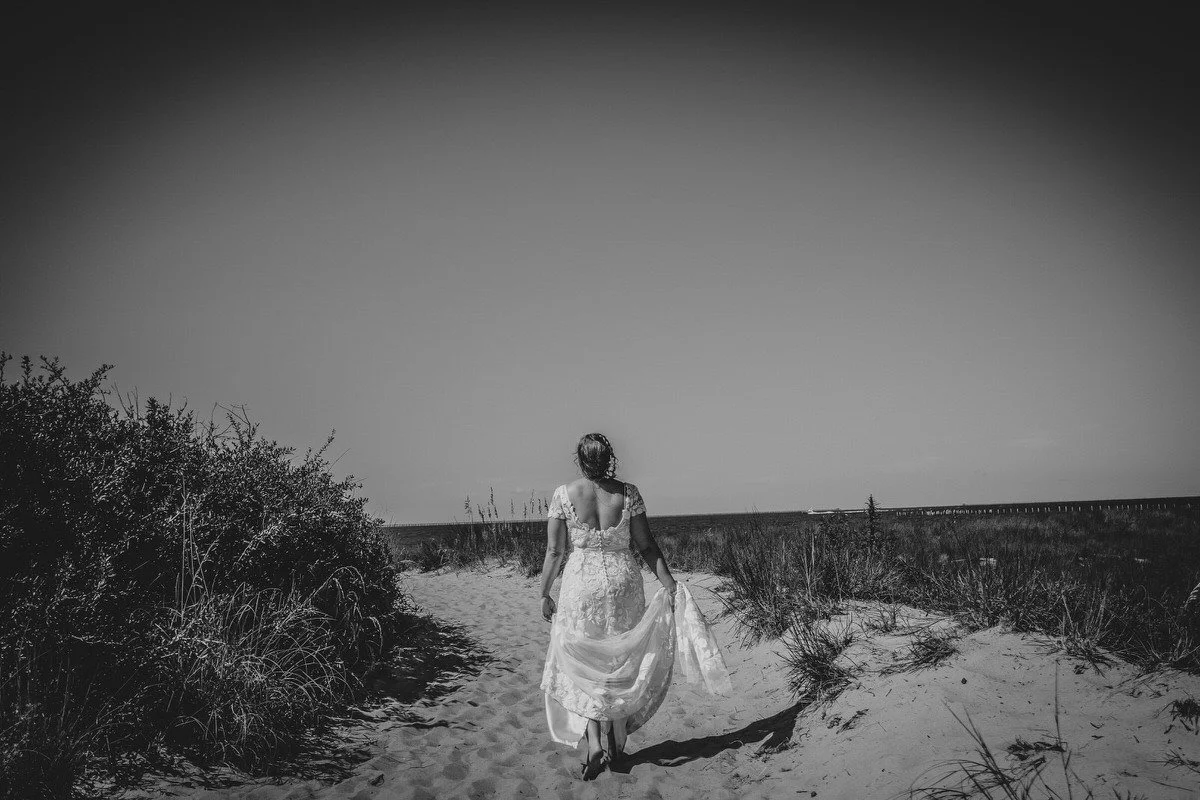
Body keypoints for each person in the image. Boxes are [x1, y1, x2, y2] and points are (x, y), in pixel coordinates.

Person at [539, 433, 729, 781]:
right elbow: (647, 545)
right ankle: (617, 741)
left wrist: (544, 592)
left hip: (581, 586)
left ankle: (594, 743)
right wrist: (668, 583)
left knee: (586, 663)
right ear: (609, 458)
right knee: (620, 660)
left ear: (580, 460)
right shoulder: (628, 494)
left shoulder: (563, 494)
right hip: (623, 583)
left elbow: (555, 551)